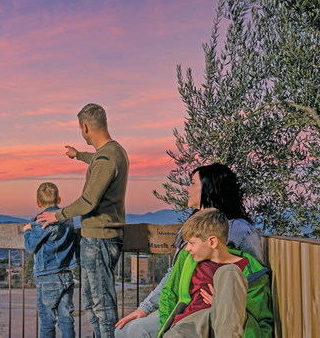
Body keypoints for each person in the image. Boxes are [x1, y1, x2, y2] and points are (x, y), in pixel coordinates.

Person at [115, 163, 263, 338]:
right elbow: (174, 273)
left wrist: (225, 302)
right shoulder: (192, 226)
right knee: (122, 330)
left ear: (209, 188)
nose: (187, 189)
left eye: (192, 183)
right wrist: (144, 308)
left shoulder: (239, 230)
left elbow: (253, 276)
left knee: (135, 331)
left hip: (211, 312)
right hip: (182, 304)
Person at [37, 103, 129, 338]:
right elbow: (98, 161)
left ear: (86, 127)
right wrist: (78, 155)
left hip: (100, 238)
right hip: (97, 238)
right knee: (91, 304)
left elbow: (88, 201)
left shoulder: (107, 158)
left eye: (81, 128)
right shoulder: (113, 152)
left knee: (102, 305)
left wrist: (56, 215)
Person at [158, 208, 272, 337]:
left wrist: (225, 306)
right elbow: (169, 294)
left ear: (212, 242)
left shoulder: (253, 272)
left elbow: (263, 322)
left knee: (229, 271)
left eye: (191, 243)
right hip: (190, 323)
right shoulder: (187, 259)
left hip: (231, 327)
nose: (187, 248)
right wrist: (165, 328)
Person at [24, 182, 79, 338]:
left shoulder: (42, 220)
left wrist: (27, 231)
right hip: (66, 274)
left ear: (38, 202)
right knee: (66, 319)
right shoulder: (67, 219)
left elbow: (30, 246)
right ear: (59, 199)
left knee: (48, 321)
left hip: (47, 276)